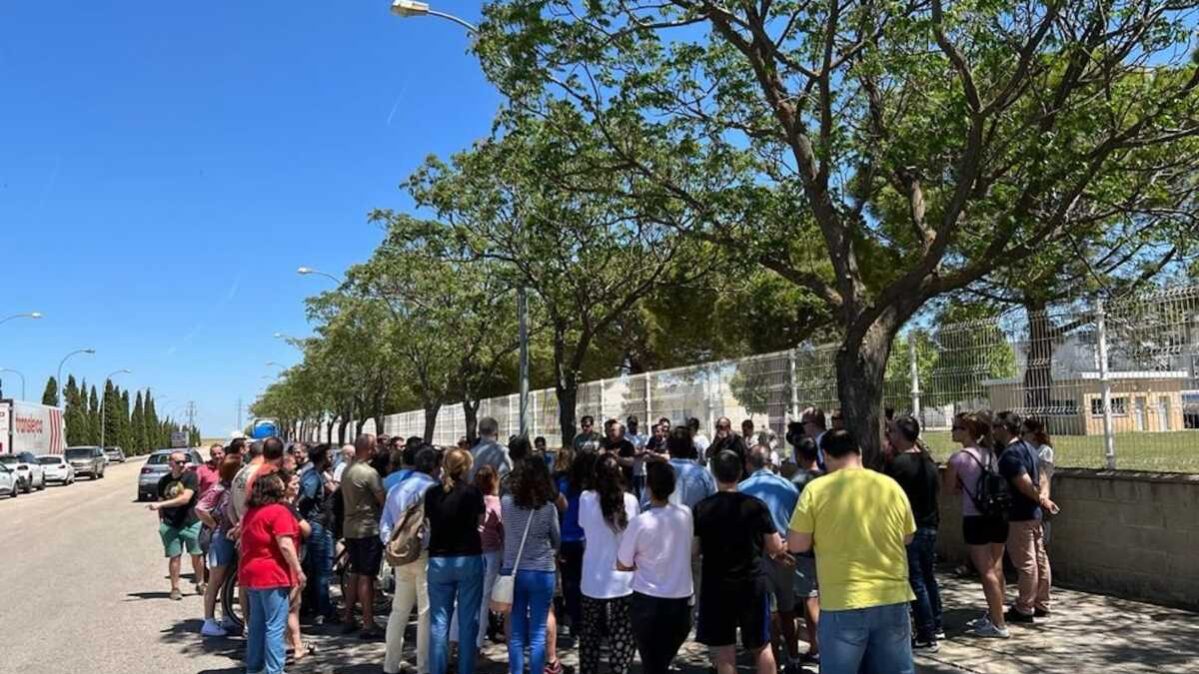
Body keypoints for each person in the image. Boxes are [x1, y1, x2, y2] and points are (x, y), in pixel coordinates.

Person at [788, 430, 916, 674]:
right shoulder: (890, 486)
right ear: (859, 451)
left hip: (843, 601)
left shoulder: (817, 490)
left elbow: (796, 544)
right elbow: (907, 536)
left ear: (825, 455)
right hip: (892, 597)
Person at [694, 450, 785, 674]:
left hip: (717, 585)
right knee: (761, 645)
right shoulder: (756, 506)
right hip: (752, 583)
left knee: (724, 650)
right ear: (740, 471)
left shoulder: (702, 508)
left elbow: (694, 550)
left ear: (714, 473)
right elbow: (774, 546)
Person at [616, 460, 693, 674]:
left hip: (647, 602)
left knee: (652, 664)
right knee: (661, 662)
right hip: (680, 602)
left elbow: (622, 563)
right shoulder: (685, 514)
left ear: (648, 487)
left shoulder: (641, 522)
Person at [739, 445, 803, 674]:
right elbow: (798, 521)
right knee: (788, 610)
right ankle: (794, 658)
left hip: (758, 556)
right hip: (785, 554)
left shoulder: (742, 490)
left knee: (769, 612)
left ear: (748, 463)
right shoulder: (789, 486)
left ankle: (773, 661)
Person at [945, 413, 1009, 638]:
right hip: (998, 516)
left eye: (956, 428)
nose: (953, 431)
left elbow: (949, 489)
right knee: (997, 566)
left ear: (967, 432)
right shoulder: (990, 454)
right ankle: (996, 613)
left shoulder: (958, 459)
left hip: (975, 518)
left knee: (986, 571)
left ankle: (999, 624)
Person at [884, 415, 944, 652]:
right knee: (928, 577)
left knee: (916, 580)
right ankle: (936, 625)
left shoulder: (898, 465)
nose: (890, 436)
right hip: (929, 525)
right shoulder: (927, 461)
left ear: (901, 435)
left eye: (892, 432)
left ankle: (927, 633)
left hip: (911, 529)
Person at [425, 447, 487, 674]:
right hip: (468, 557)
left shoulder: (432, 493)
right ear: (466, 467)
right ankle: (465, 668)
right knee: (468, 621)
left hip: (439, 559)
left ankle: (437, 669)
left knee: (438, 622)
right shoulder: (473, 493)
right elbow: (480, 520)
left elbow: (429, 522)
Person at [380, 446, 440, 674]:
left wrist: (391, 544)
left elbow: (385, 523)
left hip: (401, 555)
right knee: (425, 612)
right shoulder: (433, 490)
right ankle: (424, 666)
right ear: (434, 466)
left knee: (399, 611)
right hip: (425, 555)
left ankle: (391, 664)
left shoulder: (396, 488)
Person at [993, 411, 1057, 625]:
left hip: (1020, 514)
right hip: (1034, 514)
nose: (993, 431)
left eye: (996, 426)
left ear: (1004, 428)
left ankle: (1025, 607)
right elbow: (1042, 476)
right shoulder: (1029, 448)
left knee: (1027, 562)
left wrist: (1040, 499)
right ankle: (1042, 602)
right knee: (1039, 558)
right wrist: (1042, 500)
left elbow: (1025, 482)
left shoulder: (1011, 455)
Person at [577, 454, 639, 674]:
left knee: (590, 637)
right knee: (621, 637)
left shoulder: (586, 498)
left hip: (593, 578)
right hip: (623, 580)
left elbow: (583, 525)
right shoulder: (631, 501)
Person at [239, 471, 305, 674]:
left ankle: (254, 667)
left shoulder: (252, 512)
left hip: (252, 572)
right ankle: (275, 670)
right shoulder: (279, 511)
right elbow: (285, 544)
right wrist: (298, 570)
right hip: (272, 573)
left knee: (257, 624)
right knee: (275, 625)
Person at [501, 456, 561, 674]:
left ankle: (515, 670)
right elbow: (556, 539)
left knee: (516, 632)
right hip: (541, 570)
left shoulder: (507, 503)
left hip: (513, 570)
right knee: (537, 632)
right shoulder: (548, 508)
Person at [341, 433, 387, 638]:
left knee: (355, 572)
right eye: (374, 445)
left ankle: (348, 617)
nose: (377, 449)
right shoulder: (369, 473)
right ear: (368, 448)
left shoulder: (347, 470)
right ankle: (368, 624)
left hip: (350, 528)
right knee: (366, 577)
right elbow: (383, 500)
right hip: (368, 529)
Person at [147, 450, 204, 601]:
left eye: (184, 461)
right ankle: (175, 587)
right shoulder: (163, 481)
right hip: (171, 524)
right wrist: (161, 521)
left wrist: (160, 505)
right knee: (174, 557)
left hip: (191, 521)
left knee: (196, 555)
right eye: (178, 462)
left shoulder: (191, 477)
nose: (182, 465)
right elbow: (160, 500)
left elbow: (185, 498)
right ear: (170, 463)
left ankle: (200, 583)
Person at [195, 455, 242, 636]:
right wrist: (214, 524)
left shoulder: (233, 488)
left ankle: (226, 617)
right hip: (221, 538)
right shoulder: (219, 488)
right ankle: (208, 621)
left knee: (228, 578)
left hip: (230, 537)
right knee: (215, 580)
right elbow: (200, 508)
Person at [787, 435, 822, 661]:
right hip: (827, 545)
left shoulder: (796, 481)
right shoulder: (827, 478)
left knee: (809, 597)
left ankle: (817, 646)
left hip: (805, 548)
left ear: (799, 456)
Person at [298, 444, 336, 624]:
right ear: (322, 457)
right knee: (322, 569)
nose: (333, 458)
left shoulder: (317, 475)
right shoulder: (312, 478)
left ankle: (313, 606)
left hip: (318, 525)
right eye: (330, 455)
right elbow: (303, 500)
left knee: (315, 568)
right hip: (317, 527)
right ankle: (323, 610)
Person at [555, 447, 588, 636]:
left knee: (568, 580)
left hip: (564, 535)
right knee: (580, 578)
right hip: (581, 536)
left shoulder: (558, 483)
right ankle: (580, 618)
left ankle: (572, 616)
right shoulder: (581, 484)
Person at [1023, 417, 1056, 546]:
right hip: (1029, 493)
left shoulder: (1044, 450)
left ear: (1034, 433)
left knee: (1041, 540)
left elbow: (1043, 474)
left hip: (1040, 494)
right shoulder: (1025, 449)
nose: (1021, 436)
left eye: (1024, 433)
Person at [471, 417, 514, 484]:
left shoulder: (471, 452)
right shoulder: (504, 451)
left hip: (476, 492)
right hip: (497, 491)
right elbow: (506, 475)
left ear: (479, 433)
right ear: (496, 432)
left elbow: (469, 477)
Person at [601, 421, 637, 487]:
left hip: (624, 483)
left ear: (621, 432)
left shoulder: (628, 445)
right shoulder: (607, 445)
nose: (610, 433)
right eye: (610, 431)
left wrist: (616, 458)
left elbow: (631, 462)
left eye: (613, 430)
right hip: (609, 483)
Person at [625, 416, 648, 497]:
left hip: (642, 472)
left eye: (634, 424)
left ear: (637, 424)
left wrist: (637, 452)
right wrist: (639, 452)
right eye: (630, 424)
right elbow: (630, 452)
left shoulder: (643, 437)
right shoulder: (625, 437)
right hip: (629, 472)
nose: (632, 426)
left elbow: (645, 452)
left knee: (642, 495)